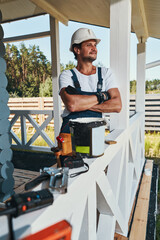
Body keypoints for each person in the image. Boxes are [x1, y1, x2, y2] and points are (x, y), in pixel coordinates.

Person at [59, 28, 122, 133]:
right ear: (77, 50)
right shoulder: (67, 75)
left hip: (95, 133)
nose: (94, 48)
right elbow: (72, 105)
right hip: (70, 133)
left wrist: (81, 103)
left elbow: (117, 105)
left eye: (95, 45)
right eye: (89, 45)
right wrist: (103, 96)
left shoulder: (105, 73)